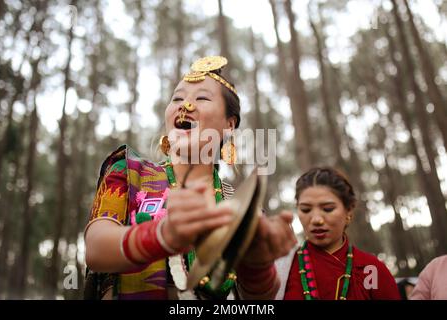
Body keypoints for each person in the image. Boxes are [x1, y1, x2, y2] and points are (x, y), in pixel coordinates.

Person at [84, 56, 296, 300]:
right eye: (177, 98)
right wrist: (163, 235)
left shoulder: (242, 209)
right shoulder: (127, 173)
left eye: (202, 98)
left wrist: (256, 266)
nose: (185, 105)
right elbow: (96, 249)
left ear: (229, 125)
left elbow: (258, 300)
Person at [275, 167, 401, 300]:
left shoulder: (371, 269)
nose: (316, 219)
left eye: (328, 209)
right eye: (306, 210)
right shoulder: (282, 268)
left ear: (349, 211)